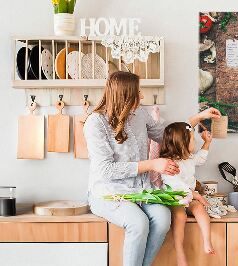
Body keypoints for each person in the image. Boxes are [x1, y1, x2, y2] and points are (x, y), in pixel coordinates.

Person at [83, 71, 221, 266]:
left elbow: (168, 134)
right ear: (125, 94)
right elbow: (105, 169)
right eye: (137, 92)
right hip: (108, 194)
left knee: (163, 219)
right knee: (138, 223)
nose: (141, 96)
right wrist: (151, 164)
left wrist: (199, 117)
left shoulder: (139, 114)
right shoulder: (95, 123)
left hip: (141, 191)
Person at [160, 122, 214, 266]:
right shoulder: (168, 162)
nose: (195, 142)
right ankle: (179, 252)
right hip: (174, 197)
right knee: (180, 215)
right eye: (192, 139)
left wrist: (207, 143)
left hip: (189, 197)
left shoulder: (188, 158)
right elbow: (175, 184)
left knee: (200, 209)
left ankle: (207, 240)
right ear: (182, 143)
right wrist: (196, 195)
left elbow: (201, 159)